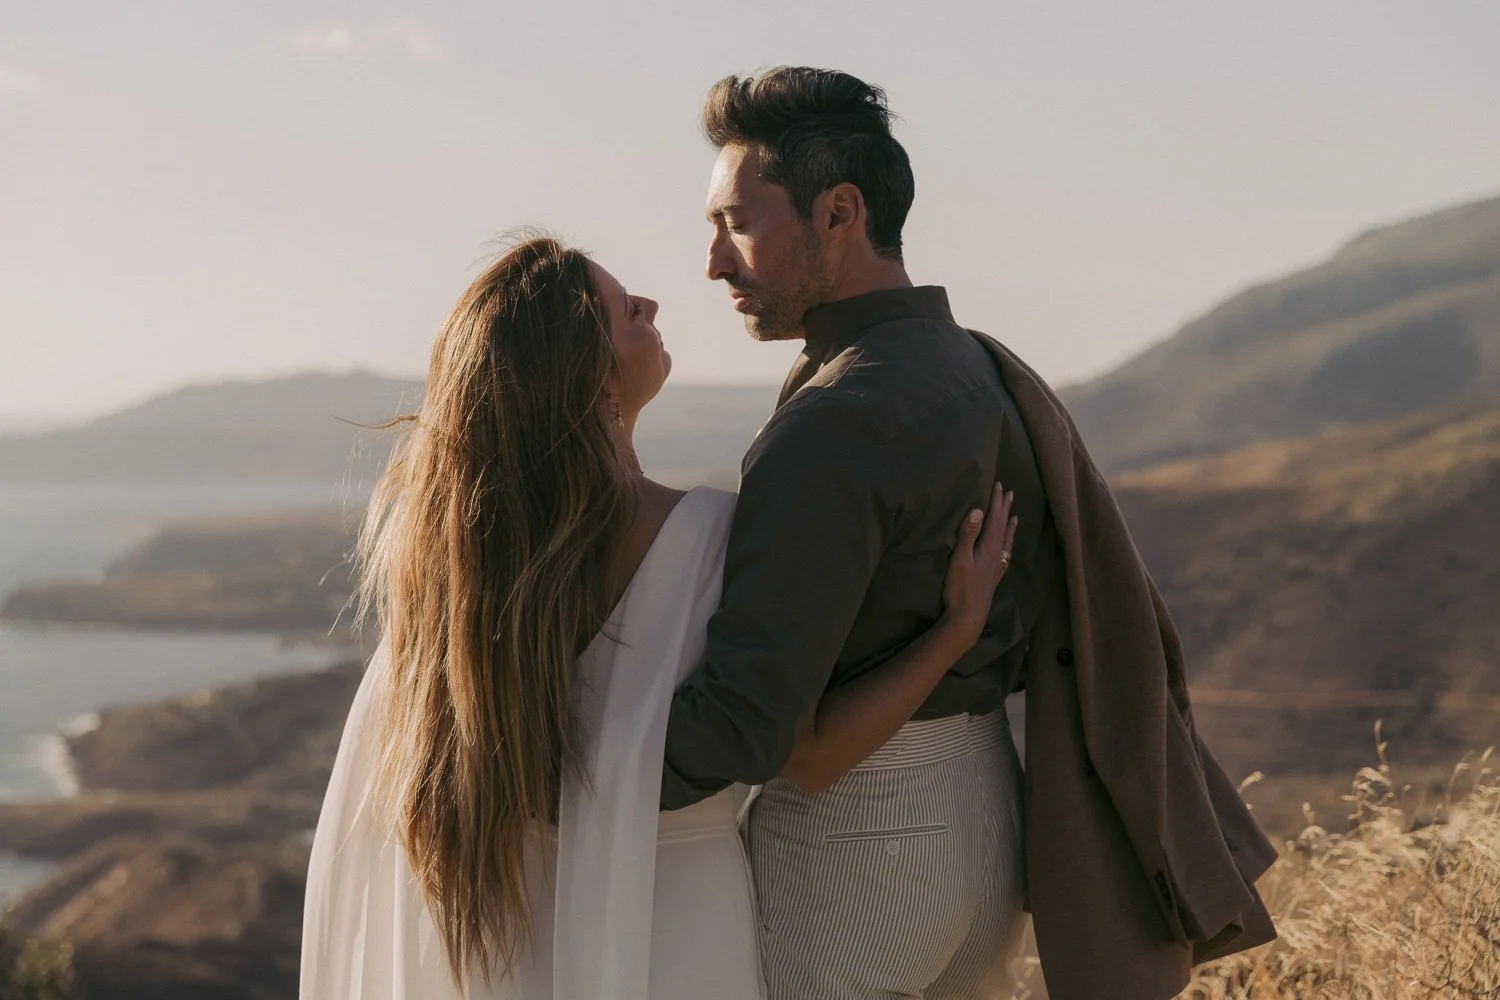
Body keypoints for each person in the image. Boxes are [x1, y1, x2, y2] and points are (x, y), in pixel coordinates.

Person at [661, 67, 1279, 1000]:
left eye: (736, 225)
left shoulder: (835, 418)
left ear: (839, 212)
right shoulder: (973, 366)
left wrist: (548, 783)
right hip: (983, 815)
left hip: (853, 846)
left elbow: (757, 728)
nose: (714, 263)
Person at [298, 234, 1020, 1000]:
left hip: (501, 917)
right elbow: (799, 744)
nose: (651, 305)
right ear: (594, 383)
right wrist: (953, 633)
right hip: (677, 912)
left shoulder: (453, 564)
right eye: (623, 310)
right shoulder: (716, 536)